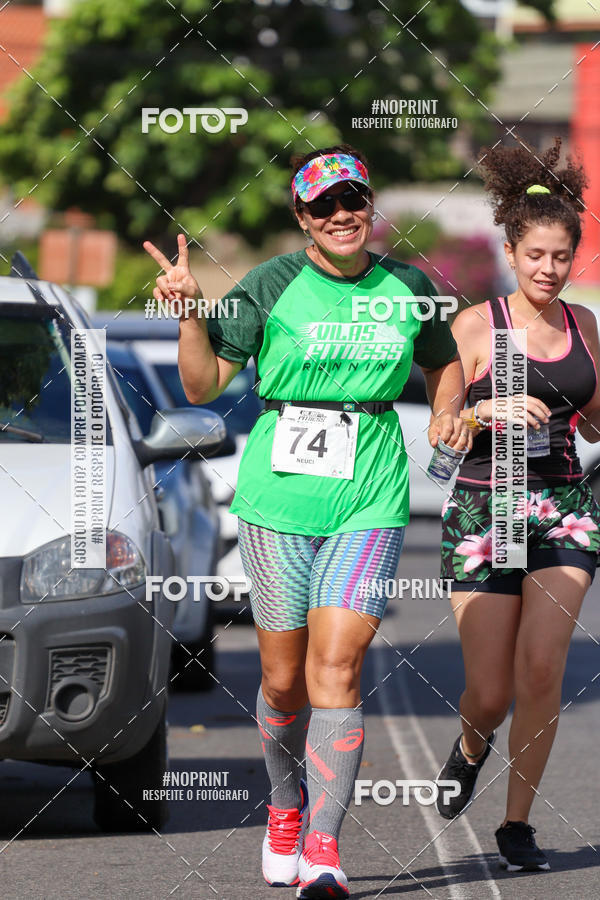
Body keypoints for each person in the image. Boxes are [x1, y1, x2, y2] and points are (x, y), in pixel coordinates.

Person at [144, 144, 470, 899]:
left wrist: (448, 409)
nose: (342, 215)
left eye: (352, 199)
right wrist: (191, 313)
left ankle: (323, 848)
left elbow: (442, 360)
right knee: (285, 681)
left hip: (372, 493)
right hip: (279, 500)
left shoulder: (410, 287)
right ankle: (285, 807)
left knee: (339, 665)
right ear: (302, 218)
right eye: (323, 206)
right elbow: (202, 383)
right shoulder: (269, 284)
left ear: (370, 204)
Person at [435, 137, 600, 873]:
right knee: (491, 690)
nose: (548, 269)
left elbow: (598, 420)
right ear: (511, 249)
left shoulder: (587, 328)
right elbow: (444, 432)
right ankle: (473, 744)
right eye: (535, 255)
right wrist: (484, 412)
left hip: (563, 508)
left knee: (542, 671)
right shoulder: (475, 327)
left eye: (561, 257)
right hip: (484, 510)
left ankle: (517, 824)